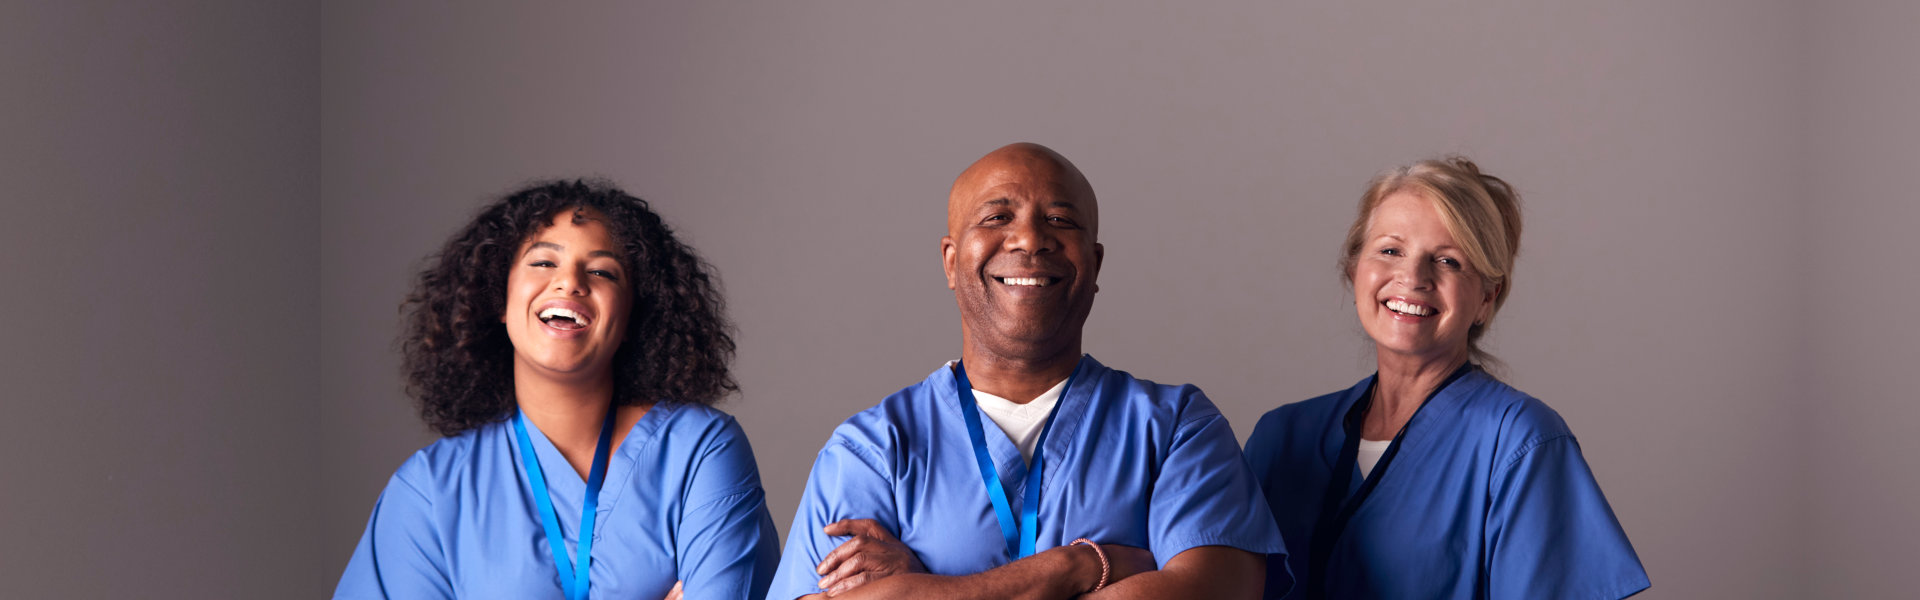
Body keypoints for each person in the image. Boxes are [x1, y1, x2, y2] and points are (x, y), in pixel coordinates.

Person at [768, 143, 1286, 600]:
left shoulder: (1175, 428)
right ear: (951, 262)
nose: (1029, 240)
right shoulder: (873, 449)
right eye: (997, 218)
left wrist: (922, 590)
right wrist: (1080, 567)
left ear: (1096, 264)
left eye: (1061, 220)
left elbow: (1216, 590)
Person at [333, 180, 780, 600]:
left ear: (632, 319)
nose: (570, 282)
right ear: (499, 301)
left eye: (603, 272)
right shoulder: (430, 490)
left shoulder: (699, 451)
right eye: (544, 262)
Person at [1243, 158, 1649, 599]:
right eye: (1391, 250)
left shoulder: (1519, 441)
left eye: (1448, 261)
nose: (1413, 278)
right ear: (1354, 268)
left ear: (1486, 299)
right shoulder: (1280, 439)